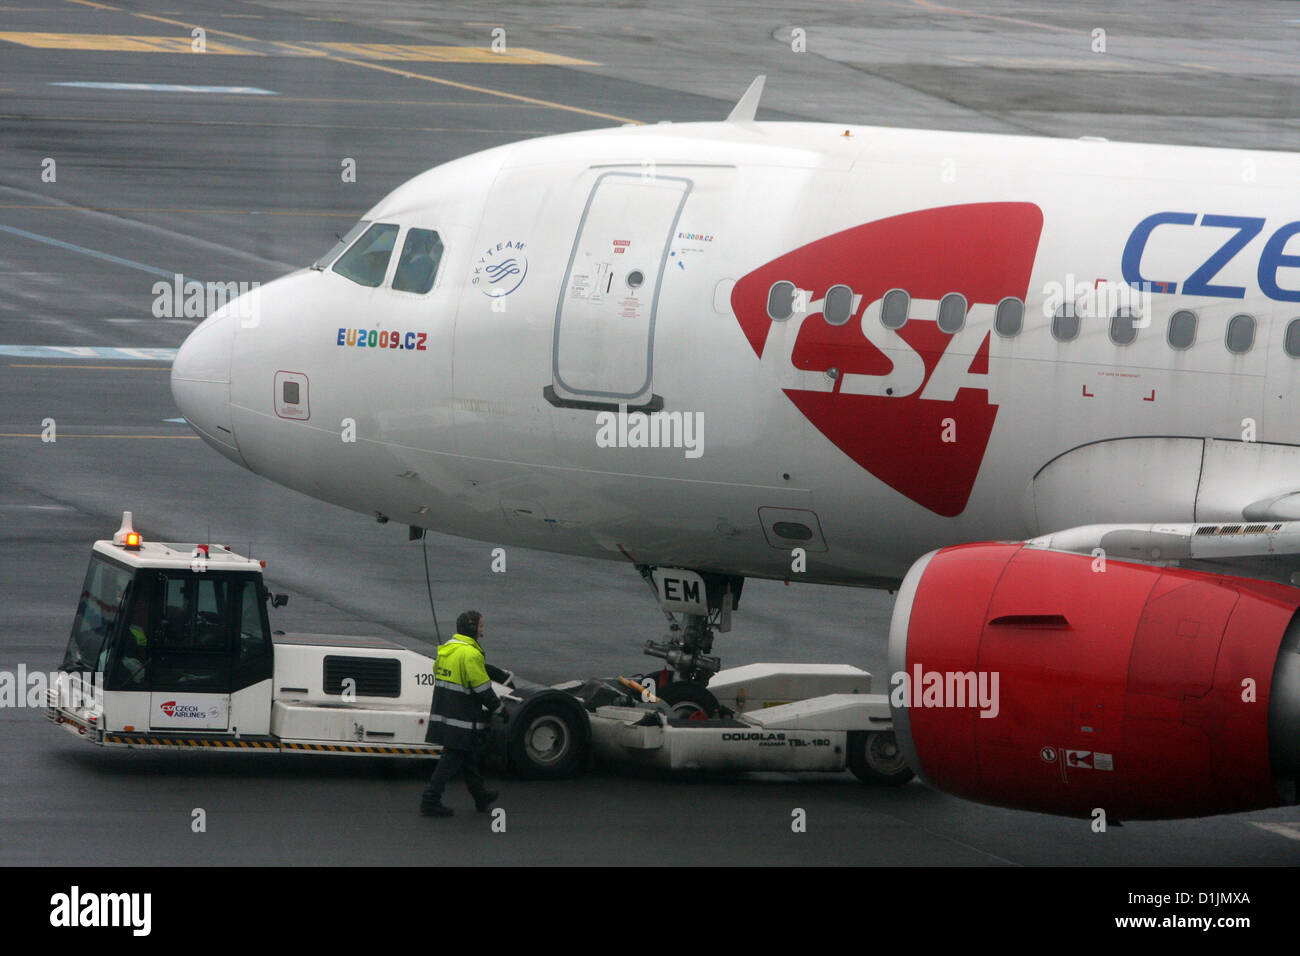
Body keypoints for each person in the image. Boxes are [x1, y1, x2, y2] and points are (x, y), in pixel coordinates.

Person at [419, 610, 502, 817]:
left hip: (445, 713)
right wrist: (499, 708)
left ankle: (480, 796)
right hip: (462, 718)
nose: (483, 631)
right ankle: (430, 800)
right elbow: (482, 688)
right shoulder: (471, 654)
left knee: (468, 757)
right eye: (481, 626)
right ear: (473, 628)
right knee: (451, 759)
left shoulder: (447, 649)